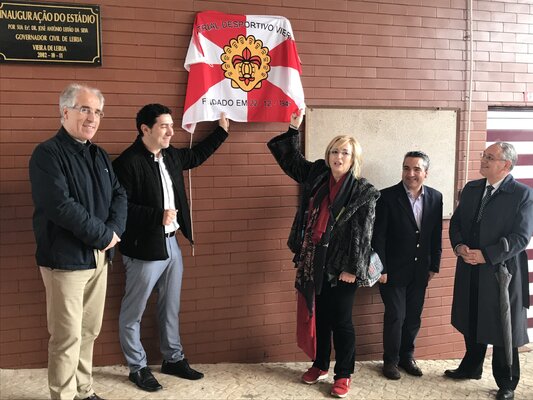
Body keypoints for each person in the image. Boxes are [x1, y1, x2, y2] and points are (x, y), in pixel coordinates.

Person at [112, 104, 229, 392]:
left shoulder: (171, 155)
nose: (171, 131)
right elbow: (119, 207)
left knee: (170, 307)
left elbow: (197, 155)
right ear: (145, 129)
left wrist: (222, 132)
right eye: (164, 126)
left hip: (171, 244)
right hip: (143, 249)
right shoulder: (127, 162)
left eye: (171, 126)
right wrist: (156, 216)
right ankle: (137, 368)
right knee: (133, 312)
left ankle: (173, 359)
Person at [267, 111, 380, 398]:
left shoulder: (363, 191)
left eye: (345, 153)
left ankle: (343, 374)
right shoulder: (318, 175)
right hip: (314, 260)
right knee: (319, 317)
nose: (338, 157)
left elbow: (365, 234)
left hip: (343, 266)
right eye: (334, 151)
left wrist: (353, 268)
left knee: (341, 321)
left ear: (354, 159)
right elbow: (291, 162)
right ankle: (320, 365)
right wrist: (293, 129)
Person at [29, 83, 127, 400]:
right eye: (85, 109)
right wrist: (104, 235)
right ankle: (64, 395)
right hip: (65, 260)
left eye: (97, 112)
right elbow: (59, 205)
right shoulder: (47, 154)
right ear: (65, 111)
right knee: (67, 336)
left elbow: (119, 195)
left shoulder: (99, 154)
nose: (92, 118)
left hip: (99, 257)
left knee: (89, 331)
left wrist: (114, 231)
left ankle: (84, 391)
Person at [445, 142, 532, 400]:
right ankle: (471, 367)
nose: (483, 160)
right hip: (469, 266)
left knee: (503, 326)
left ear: (506, 165)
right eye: (484, 155)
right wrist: (459, 246)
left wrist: (488, 255)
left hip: (501, 271)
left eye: (490, 157)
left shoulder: (522, 194)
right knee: (471, 316)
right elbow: (456, 223)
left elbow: (521, 237)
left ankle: (507, 382)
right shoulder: (472, 189)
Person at [372, 151, 443, 380]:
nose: (410, 173)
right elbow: (378, 237)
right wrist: (381, 268)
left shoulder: (436, 197)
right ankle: (390, 361)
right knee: (396, 316)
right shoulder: (386, 197)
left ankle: (407, 357)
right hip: (392, 271)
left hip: (420, 270)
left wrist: (434, 265)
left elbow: (436, 234)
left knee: (413, 317)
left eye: (416, 169)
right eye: (406, 168)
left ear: (426, 173)